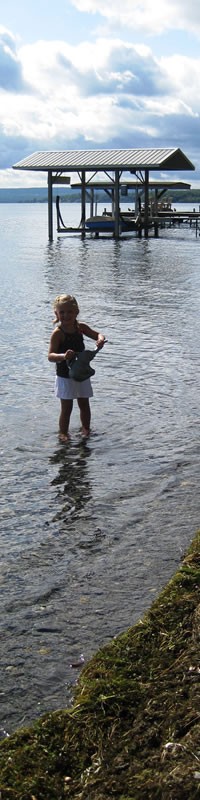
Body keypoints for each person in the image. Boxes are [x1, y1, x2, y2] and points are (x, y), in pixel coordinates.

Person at [48, 294, 105, 440]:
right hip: (64, 375)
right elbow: (50, 356)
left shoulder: (80, 328)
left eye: (70, 312)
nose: (66, 315)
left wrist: (100, 340)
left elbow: (97, 334)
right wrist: (63, 356)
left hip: (81, 372)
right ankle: (63, 433)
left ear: (76, 312)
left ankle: (86, 429)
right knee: (67, 408)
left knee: (84, 403)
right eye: (62, 312)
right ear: (56, 314)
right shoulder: (58, 333)